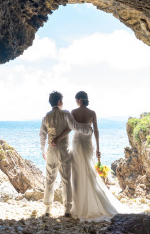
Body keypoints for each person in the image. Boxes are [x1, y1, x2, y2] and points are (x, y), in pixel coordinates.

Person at [52, 91, 128, 220]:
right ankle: (88, 203)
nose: (76, 102)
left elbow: (70, 129)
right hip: (88, 144)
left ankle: (78, 206)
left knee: (76, 174)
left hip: (76, 144)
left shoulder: (74, 112)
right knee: (88, 171)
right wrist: (98, 148)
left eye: (76, 100)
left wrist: (58, 138)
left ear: (79, 100)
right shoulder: (92, 113)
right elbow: (96, 131)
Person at [39, 91, 93, 217]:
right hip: (63, 150)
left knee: (49, 179)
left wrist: (42, 150)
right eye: (61, 101)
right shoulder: (66, 114)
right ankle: (67, 209)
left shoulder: (46, 117)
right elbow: (75, 127)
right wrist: (88, 130)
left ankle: (47, 209)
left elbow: (42, 135)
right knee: (66, 180)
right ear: (59, 101)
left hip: (51, 150)